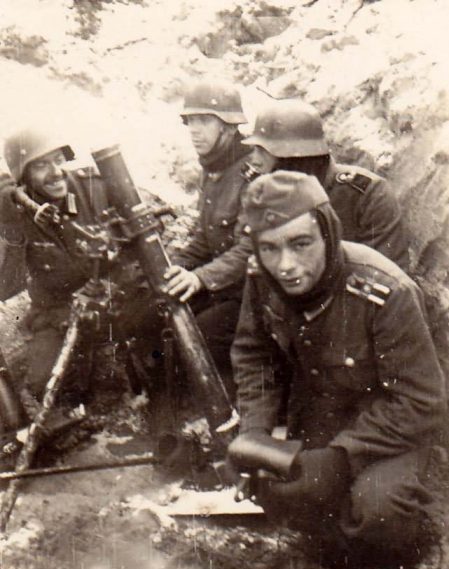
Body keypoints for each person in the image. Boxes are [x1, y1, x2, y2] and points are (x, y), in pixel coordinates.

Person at [227, 171, 446, 557]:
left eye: (301, 244)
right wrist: (256, 435)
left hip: (392, 432)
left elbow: (420, 402)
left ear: (327, 234)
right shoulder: (262, 278)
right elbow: (255, 352)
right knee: (284, 497)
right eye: (270, 248)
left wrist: (339, 460)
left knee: (378, 511)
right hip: (319, 416)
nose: (285, 265)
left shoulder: (385, 292)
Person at [0, 128, 151, 402]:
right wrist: (10, 227)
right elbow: (5, 288)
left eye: (58, 160)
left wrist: (114, 280)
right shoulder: (16, 212)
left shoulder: (93, 185)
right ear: (23, 178)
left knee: (159, 344)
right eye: (42, 165)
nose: (56, 172)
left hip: (117, 296)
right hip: (59, 313)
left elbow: (146, 234)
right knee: (44, 386)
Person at [242, 98, 410, 270]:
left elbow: (385, 274)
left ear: (292, 157)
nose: (254, 161)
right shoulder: (264, 192)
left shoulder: (367, 195)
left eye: (263, 151)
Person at [163, 79, 253, 384]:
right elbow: (205, 237)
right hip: (224, 286)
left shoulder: (251, 173)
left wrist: (200, 278)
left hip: (255, 293)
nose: (194, 130)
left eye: (204, 121)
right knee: (159, 314)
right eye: (190, 121)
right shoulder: (214, 167)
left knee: (196, 335)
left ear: (228, 127)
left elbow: (250, 249)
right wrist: (174, 267)